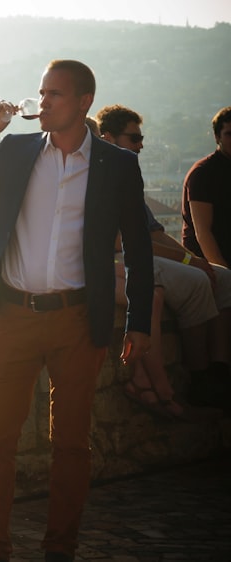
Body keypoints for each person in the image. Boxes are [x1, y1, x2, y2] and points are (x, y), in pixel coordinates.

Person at [0, 60, 153, 562]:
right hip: (15, 317)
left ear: (83, 102)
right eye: (41, 93)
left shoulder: (115, 164)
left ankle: (61, 549)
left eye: (54, 94)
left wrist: (140, 322)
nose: (43, 102)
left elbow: (140, 250)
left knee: (72, 445)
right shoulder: (15, 151)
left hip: (79, 320)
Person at [97, 104, 231, 418]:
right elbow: (125, 241)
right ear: (108, 138)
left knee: (223, 278)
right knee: (197, 281)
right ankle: (200, 377)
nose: (141, 144)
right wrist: (188, 261)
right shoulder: (101, 176)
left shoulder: (126, 173)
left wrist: (194, 259)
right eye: (134, 138)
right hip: (122, 258)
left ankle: (220, 368)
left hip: (139, 253)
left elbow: (154, 232)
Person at [181, 106, 231, 405]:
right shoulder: (204, 174)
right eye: (229, 134)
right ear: (217, 137)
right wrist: (224, 271)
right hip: (209, 259)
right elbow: (202, 233)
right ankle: (219, 371)